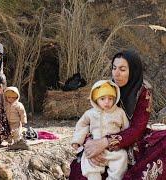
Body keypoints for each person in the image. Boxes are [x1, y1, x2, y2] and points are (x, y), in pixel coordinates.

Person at [69, 50, 166, 180]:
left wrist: (106, 142)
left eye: (122, 69)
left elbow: (137, 128)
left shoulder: (143, 91)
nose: (116, 73)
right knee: (80, 170)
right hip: (101, 138)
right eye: (114, 68)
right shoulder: (106, 88)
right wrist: (91, 144)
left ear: (133, 71)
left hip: (132, 140)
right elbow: (92, 118)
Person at [71, 80, 129, 180]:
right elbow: (82, 126)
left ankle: (113, 178)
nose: (107, 102)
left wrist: (124, 143)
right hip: (95, 147)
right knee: (87, 159)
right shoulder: (90, 113)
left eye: (110, 98)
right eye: (102, 98)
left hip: (113, 148)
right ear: (95, 99)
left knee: (122, 157)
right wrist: (77, 140)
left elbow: (126, 128)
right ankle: (94, 177)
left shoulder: (119, 112)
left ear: (115, 99)